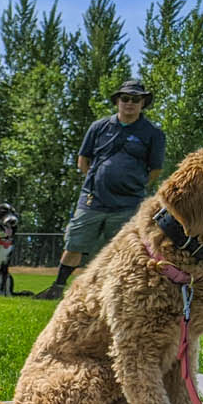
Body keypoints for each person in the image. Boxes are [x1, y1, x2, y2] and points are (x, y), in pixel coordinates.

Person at [35, 78, 165, 300]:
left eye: (135, 99)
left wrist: (132, 184)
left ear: (143, 103)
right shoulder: (99, 127)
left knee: (119, 250)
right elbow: (83, 159)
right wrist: (96, 181)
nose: (130, 103)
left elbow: (155, 170)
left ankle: (109, 292)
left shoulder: (153, 133)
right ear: (117, 101)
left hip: (128, 203)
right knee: (75, 242)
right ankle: (58, 287)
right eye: (125, 98)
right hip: (92, 200)